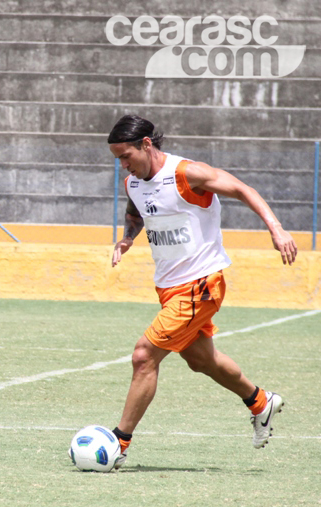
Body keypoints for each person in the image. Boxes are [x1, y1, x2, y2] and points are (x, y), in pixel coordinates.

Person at [107, 115, 297, 468]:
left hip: (201, 285)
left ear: (146, 144)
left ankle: (119, 442)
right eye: (118, 158)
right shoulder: (133, 181)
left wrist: (277, 229)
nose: (123, 164)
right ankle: (260, 402)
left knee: (143, 356)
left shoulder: (188, 174)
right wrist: (127, 238)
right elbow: (137, 212)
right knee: (200, 361)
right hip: (168, 288)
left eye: (126, 155)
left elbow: (243, 189)